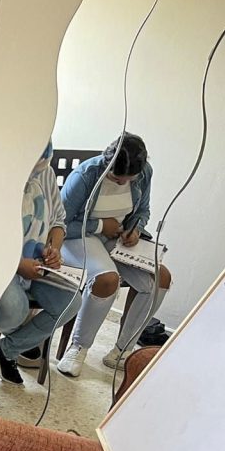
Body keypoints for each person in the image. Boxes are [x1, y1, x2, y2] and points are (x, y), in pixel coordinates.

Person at [56, 132, 172, 377]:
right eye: (116, 178)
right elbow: (59, 223)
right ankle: (78, 348)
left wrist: (136, 229)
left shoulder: (145, 173)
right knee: (107, 279)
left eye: (128, 179)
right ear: (107, 164)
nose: (122, 183)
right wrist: (100, 226)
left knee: (161, 278)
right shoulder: (85, 176)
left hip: (115, 237)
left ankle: (122, 351)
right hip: (77, 237)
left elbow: (143, 209)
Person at [0, 143, 82, 384]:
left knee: (71, 302)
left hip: (37, 261)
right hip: (0, 261)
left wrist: (54, 248)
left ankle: (6, 350)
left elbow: (58, 220)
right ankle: (21, 340)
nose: (39, 169)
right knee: (14, 309)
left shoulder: (46, 172)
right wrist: (18, 263)